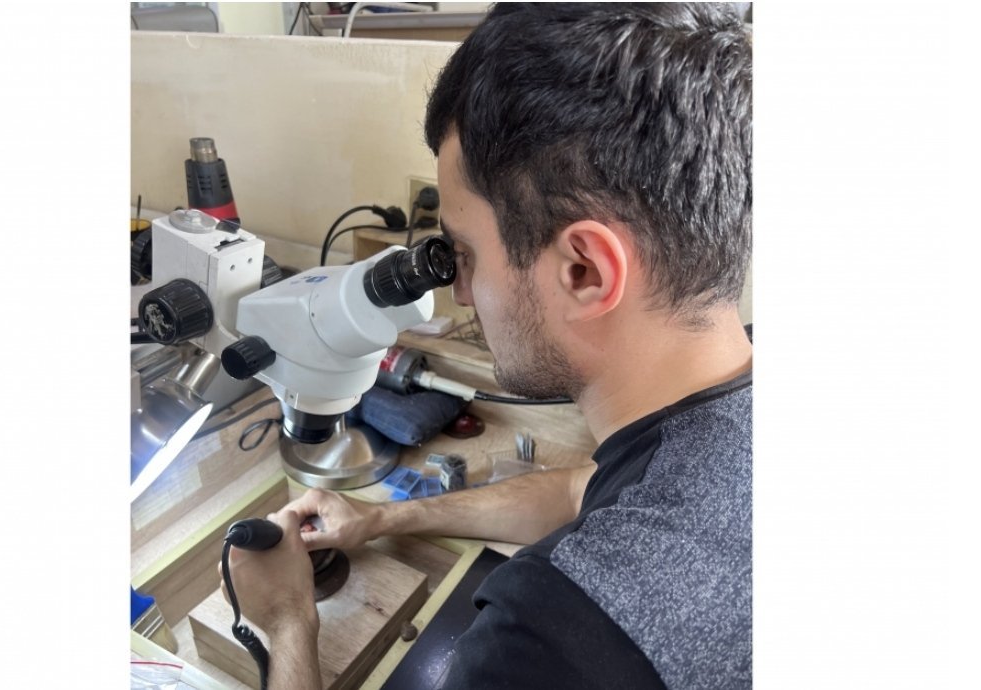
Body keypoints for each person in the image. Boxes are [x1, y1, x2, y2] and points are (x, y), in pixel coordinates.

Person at [221, 3, 753, 688]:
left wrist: (284, 622)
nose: (464, 293)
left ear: (584, 272)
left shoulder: (553, 639)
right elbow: (585, 490)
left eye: (466, 255)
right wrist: (379, 519)